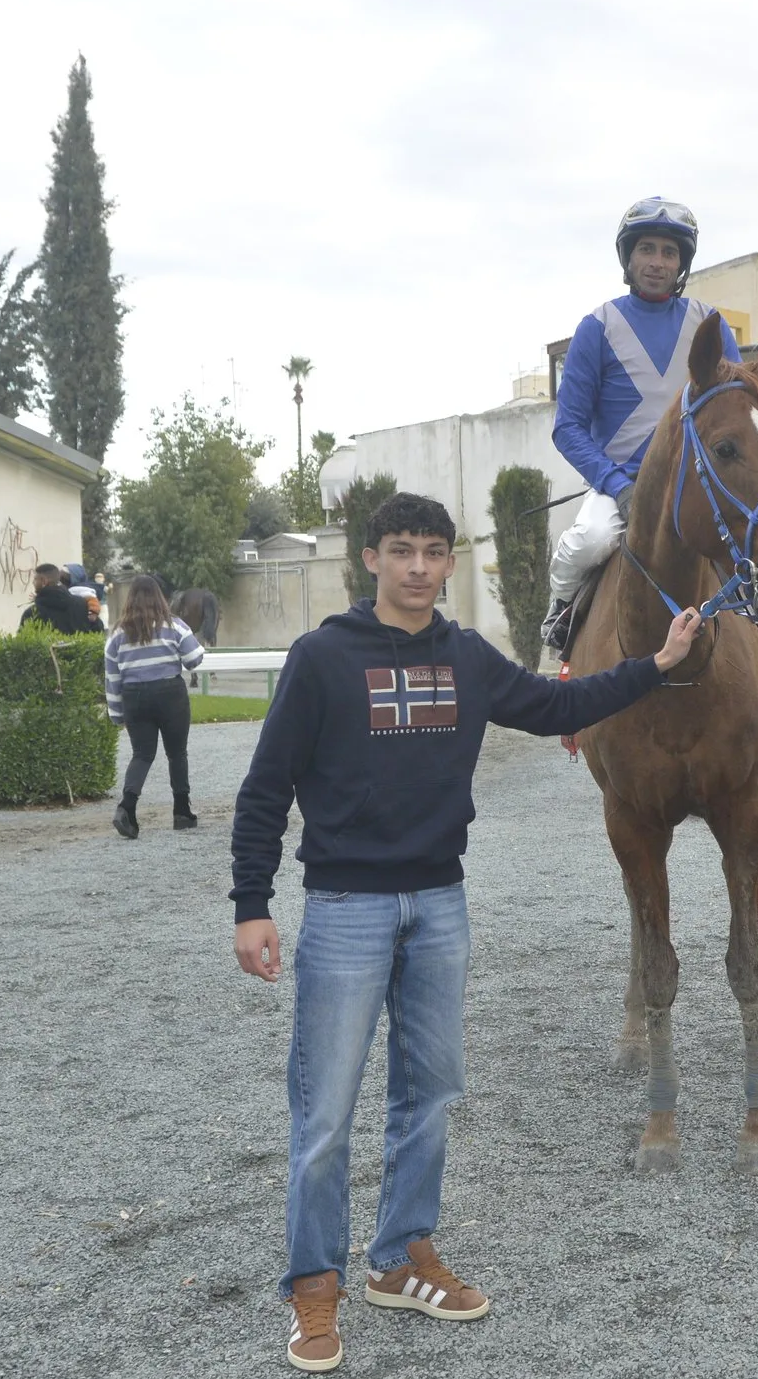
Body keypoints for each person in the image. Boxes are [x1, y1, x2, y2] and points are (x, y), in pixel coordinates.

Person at [229, 491, 703, 1373]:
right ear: (371, 558)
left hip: (439, 904)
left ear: (449, 563)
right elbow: (266, 786)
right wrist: (250, 902)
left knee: (430, 1093)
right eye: (401, 549)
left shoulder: (467, 657)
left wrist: (657, 663)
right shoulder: (322, 657)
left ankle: (400, 1257)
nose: (418, 566)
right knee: (325, 1109)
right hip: (345, 907)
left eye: (433, 551)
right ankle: (314, 1283)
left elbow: (559, 705)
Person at [539, 196, 743, 650]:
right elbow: (567, 427)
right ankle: (562, 612)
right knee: (590, 540)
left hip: (700, 486)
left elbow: (737, 412)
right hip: (621, 486)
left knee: (754, 539)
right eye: (646, 249)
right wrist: (617, 486)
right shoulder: (597, 326)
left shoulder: (710, 325)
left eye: (669, 252)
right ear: (628, 259)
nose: (657, 262)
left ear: (681, 263)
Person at [104, 575, 207, 839]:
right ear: (159, 597)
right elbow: (194, 658)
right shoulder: (173, 625)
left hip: (134, 697)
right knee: (177, 753)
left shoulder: (117, 633)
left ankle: (126, 808)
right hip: (170, 694)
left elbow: (112, 677)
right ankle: (182, 812)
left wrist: (116, 713)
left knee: (141, 755)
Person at [19, 564, 87, 635]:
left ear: (44, 581)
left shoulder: (32, 613)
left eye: (35, 579)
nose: (33, 582)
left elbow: (23, 639)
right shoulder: (81, 604)